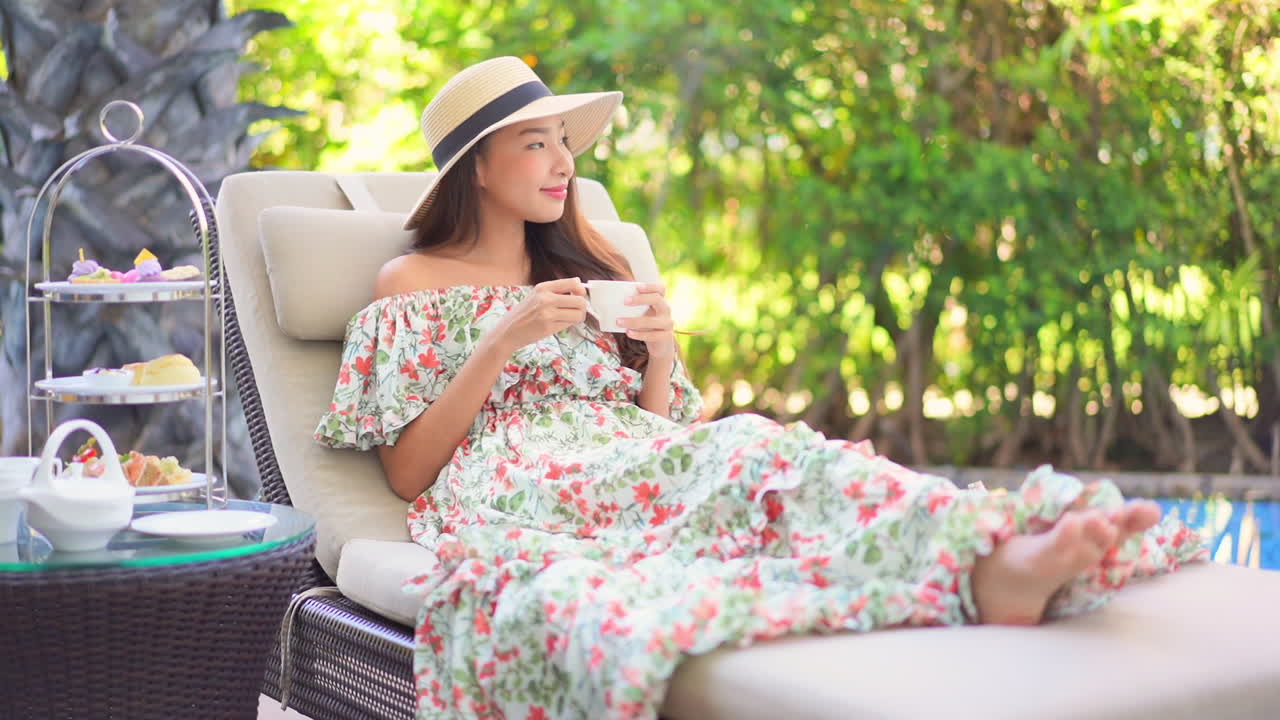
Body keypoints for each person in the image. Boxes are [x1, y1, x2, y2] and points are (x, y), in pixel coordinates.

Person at [315, 56, 1204, 720]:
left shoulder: (598, 263)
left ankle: (986, 548)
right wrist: (502, 341)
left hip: (626, 451)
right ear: (477, 165)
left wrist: (658, 354)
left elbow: (657, 420)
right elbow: (407, 475)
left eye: (567, 145)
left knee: (767, 449)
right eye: (536, 143)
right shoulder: (412, 285)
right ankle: (984, 569)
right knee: (744, 453)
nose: (563, 163)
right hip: (514, 480)